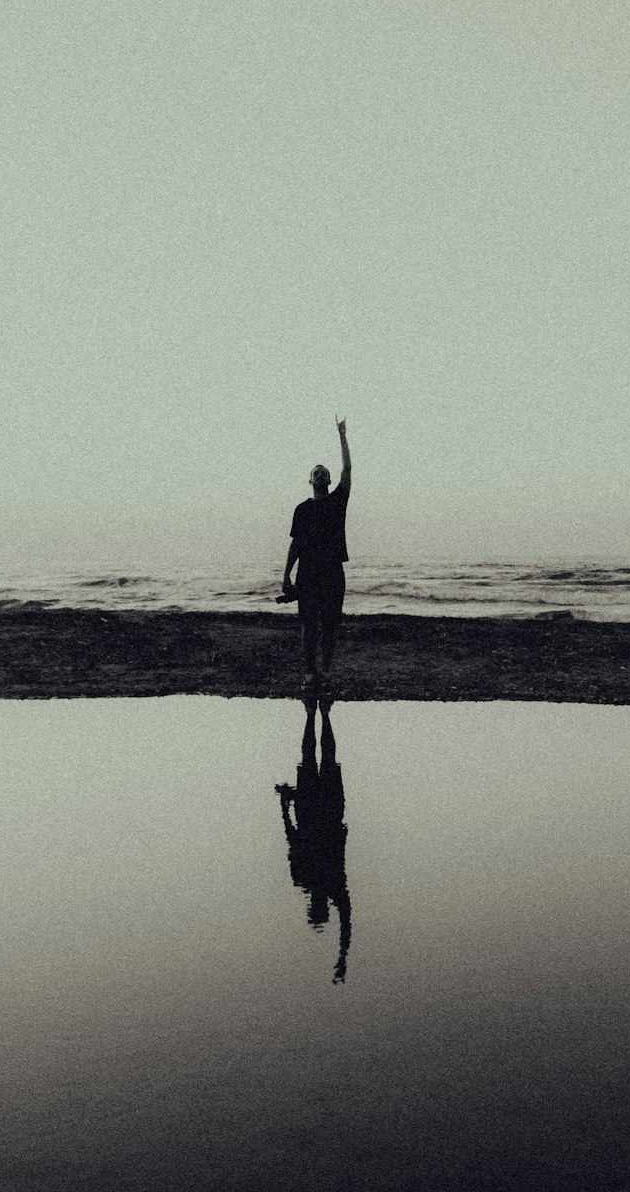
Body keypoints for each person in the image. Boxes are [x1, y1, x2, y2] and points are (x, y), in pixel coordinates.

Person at [275, 689, 351, 984]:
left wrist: (285, 806)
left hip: (315, 812)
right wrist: (342, 957)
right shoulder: (330, 884)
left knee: (316, 758)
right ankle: (319, 714)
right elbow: (290, 838)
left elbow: (291, 838)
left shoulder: (322, 882)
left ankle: (316, 714)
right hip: (324, 812)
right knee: (321, 758)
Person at [282, 416, 351, 678]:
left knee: (331, 626)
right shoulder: (302, 509)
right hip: (308, 573)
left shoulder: (338, 501)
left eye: (324, 473)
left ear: (329, 481)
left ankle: (326, 670)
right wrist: (285, 574)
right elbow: (295, 544)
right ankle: (310, 672)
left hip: (333, 572)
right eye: (315, 473)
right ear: (310, 481)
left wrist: (342, 435)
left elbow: (348, 469)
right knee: (308, 626)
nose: (320, 474)